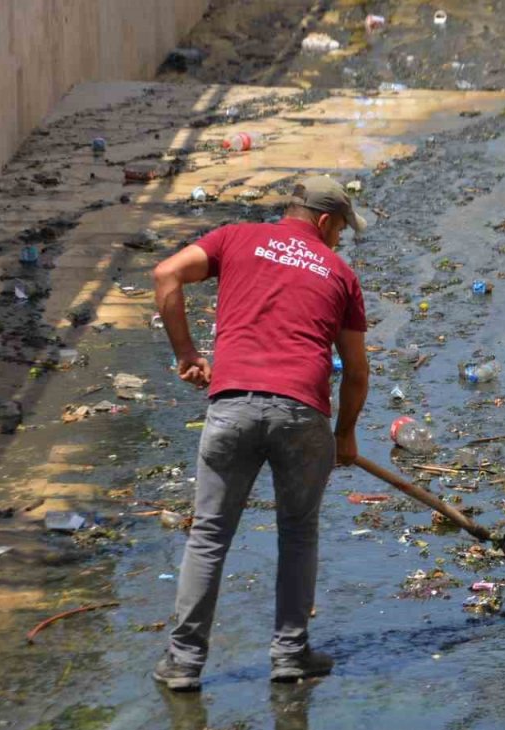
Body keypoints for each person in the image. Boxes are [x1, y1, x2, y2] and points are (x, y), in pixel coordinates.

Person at [150, 175, 370, 691]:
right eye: (340, 228)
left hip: (233, 407)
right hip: (302, 414)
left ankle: (183, 664)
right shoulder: (340, 273)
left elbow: (166, 274)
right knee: (297, 534)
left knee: (208, 536)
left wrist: (186, 353)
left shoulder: (234, 237)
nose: (339, 239)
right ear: (323, 221)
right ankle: (290, 656)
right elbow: (356, 371)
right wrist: (345, 436)